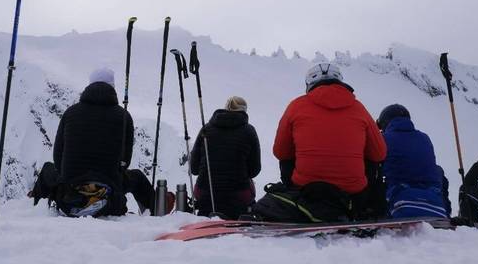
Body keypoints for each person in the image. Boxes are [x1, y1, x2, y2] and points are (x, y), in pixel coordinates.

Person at [255, 63, 387, 222]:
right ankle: (366, 208)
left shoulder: (296, 106)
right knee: (372, 158)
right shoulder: (359, 108)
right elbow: (379, 154)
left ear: (309, 84)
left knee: (287, 158)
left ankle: (304, 206)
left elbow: (280, 152)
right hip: (353, 193)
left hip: (305, 189)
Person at [51, 68, 156, 217]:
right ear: (112, 87)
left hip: (71, 192)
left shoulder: (70, 113)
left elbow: (57, 157)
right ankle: (156, 213)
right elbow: (125, 161)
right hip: (110, 189)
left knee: (49, 171)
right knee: (137, 177)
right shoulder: (123, 116)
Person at [189, 96, 261, 219]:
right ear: (244, 111)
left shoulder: (206, 129)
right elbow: (254, 170)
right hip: (237, 196)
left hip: (205, 194)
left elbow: (194, 168)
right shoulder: (249, 131)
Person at [377, 104, 449, 218]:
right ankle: (446, 210)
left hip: (400, 196)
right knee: (438, 171)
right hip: (434, 200)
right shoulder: (425, 138)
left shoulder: (384, 139)